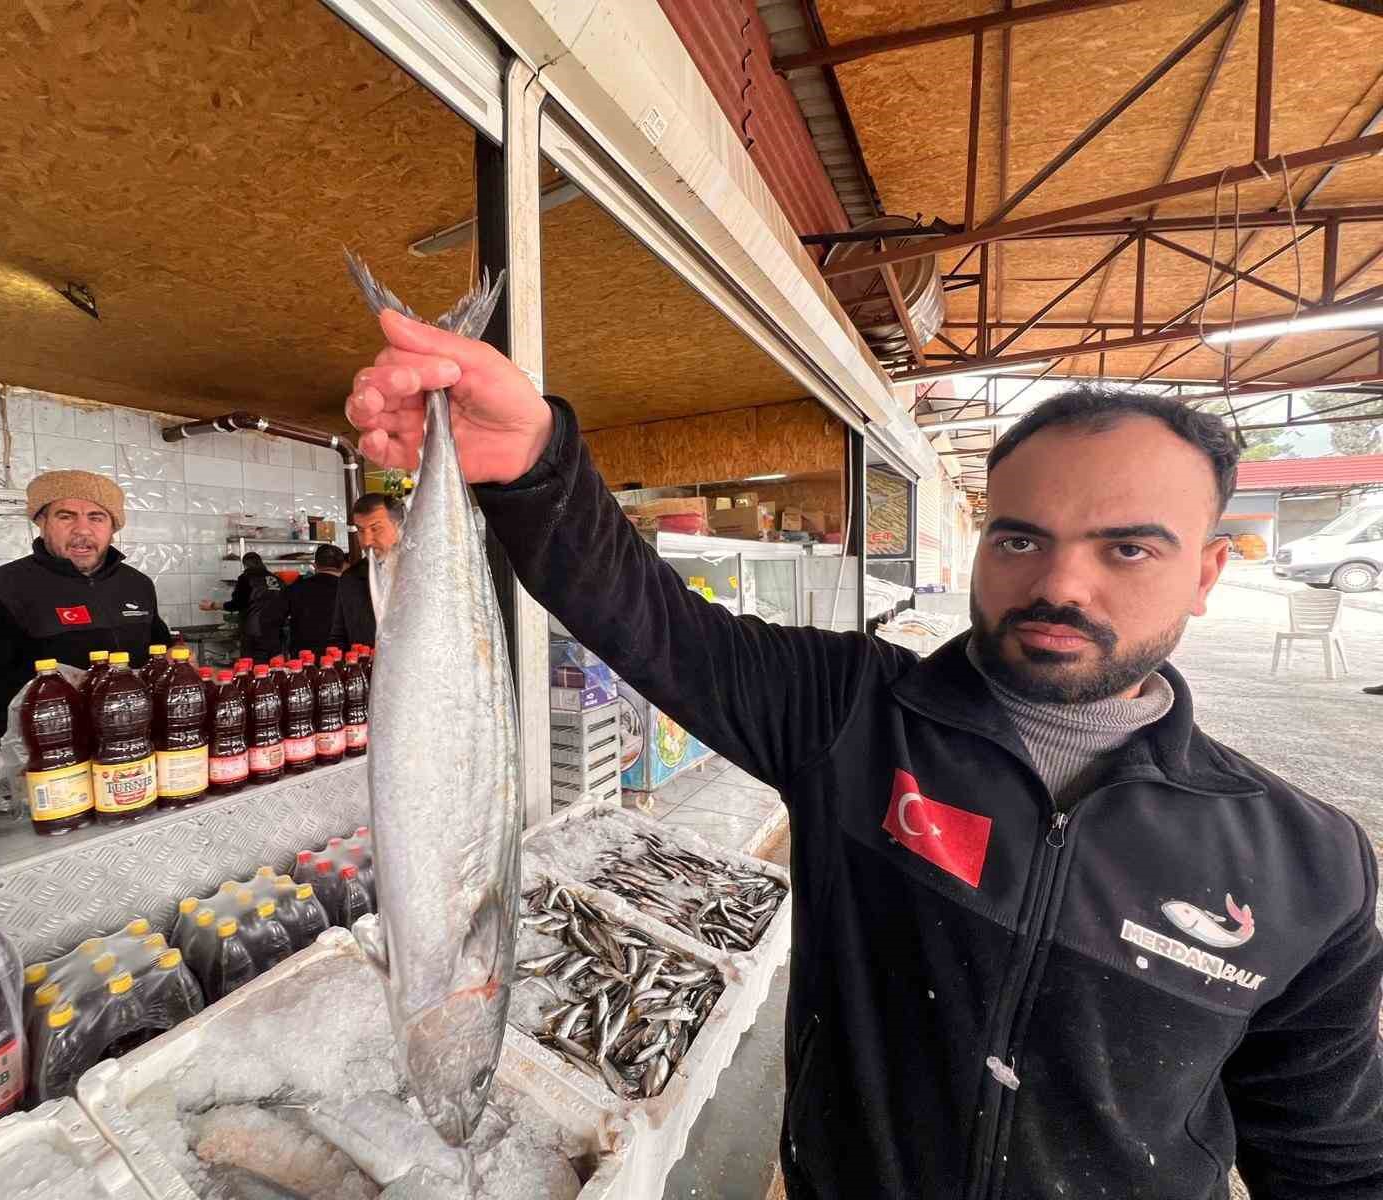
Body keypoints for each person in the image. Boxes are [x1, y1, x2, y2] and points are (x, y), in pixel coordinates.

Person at [345, 310, 1383, 1199]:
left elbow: (1329, 1156)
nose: (1060, 584)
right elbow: (649, 618)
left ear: (1205, 574)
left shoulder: (1308, 863)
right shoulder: (852, 714)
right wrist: (531, 465)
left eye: (1128, 547)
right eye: (1020, 538)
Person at [0, 470, 169, 741]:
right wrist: (55, 700)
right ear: (41, 522)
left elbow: (158, 651)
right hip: (43, 751)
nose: (82, 529)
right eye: (66, 516)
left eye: (96, 517)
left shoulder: (136, 584)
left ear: (113, 528)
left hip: (133, 741)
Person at [329, 493, 403, 648]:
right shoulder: (350, 579)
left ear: (399, 526)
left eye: (376, 529)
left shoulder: (422, 572)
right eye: (361, 530)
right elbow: (339, 637)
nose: (367, 540)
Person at [201, 552, 288, 662]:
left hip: (253, 635)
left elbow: (236, 604)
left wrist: (213, 605)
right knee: (274, 668)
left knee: (253, 668)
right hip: (275, 634)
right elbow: (286, 606)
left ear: (245, 565)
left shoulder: (246, 578)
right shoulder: (278, 580)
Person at [286, 544, 348, 654]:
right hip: (340, 656)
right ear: (343, 566)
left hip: (303, 657)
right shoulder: (351, 590)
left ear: (315, 565)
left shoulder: (296, 588)